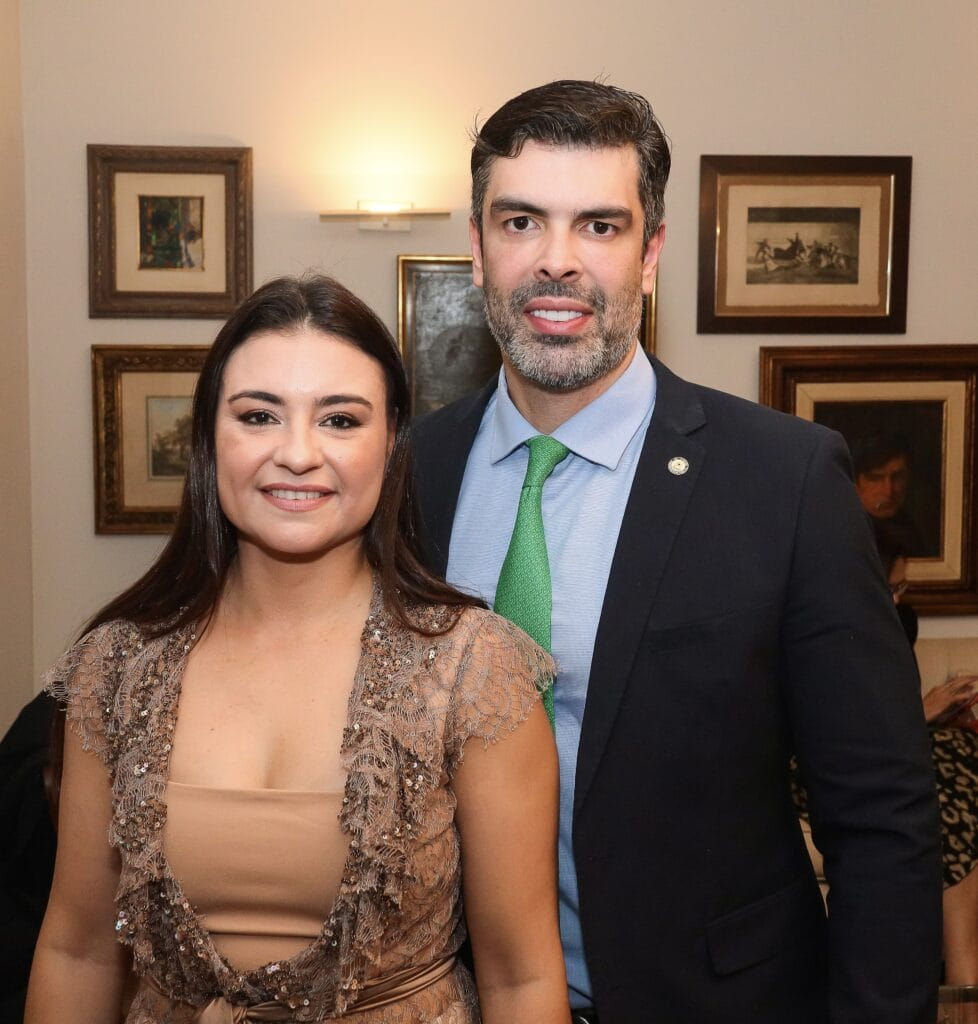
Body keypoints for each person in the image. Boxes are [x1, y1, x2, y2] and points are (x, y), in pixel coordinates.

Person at [412, 80, 942, 1023]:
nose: (557, 261)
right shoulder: (408, 474)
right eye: (522, 221)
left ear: (651, 254)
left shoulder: (785, 480)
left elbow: (882, 819)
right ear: (479, 247)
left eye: (600, 226)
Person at [26, 275, 570, 1023]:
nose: (297, 454)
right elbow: (78, 952)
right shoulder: (116, 667)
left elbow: (521, 979)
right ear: (210, 438)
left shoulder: (474, 670)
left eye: (340, 420)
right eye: (259, 415)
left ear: (391, 443)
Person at [852, 431, 931, 556]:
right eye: (876, 478)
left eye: (898, 477)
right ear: (854, 483)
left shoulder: (910, 530)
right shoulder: (844, 531)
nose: (888, 491)